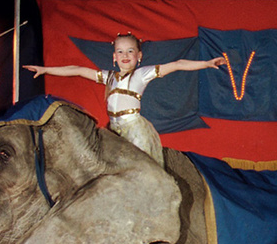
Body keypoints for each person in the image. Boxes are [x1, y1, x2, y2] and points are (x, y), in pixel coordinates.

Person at [24, 33, 225, 165]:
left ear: (139, 56)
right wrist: (45, 70)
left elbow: (178, 64)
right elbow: (77, 70)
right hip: (114, 130)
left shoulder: (141, 74)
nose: (125, 55)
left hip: (134, 129)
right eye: (120, 51)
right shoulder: (109, 77)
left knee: (140, 167)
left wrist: (206, 63)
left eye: (130, 51)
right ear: (114, 57)